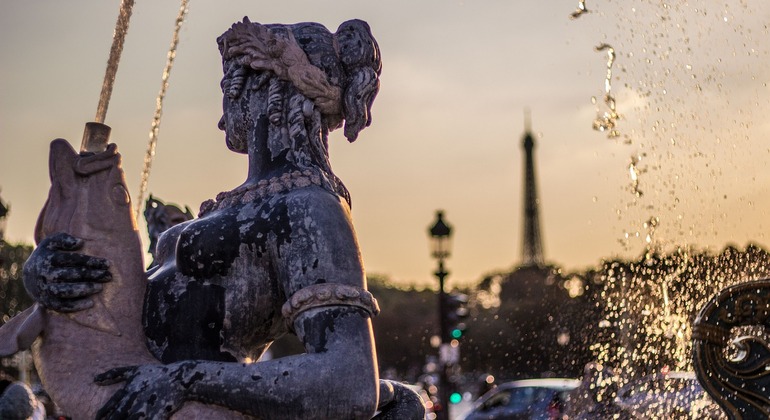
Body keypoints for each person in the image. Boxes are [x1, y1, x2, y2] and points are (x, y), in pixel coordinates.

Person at [23, 17, 422, 419]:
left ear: (262, 86)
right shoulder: (242, 204)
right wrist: (49, 273)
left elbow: (348, 381)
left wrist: (185, 379)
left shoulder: (310, 207)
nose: (220, 117)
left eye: (227, 91)